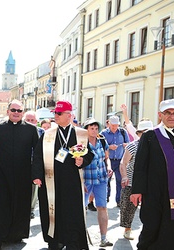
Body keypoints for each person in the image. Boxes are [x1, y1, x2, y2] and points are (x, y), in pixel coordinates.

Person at [32, 100, 94, 250]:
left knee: (72, 213)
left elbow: (91, 154)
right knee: (54, 212)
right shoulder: (47, 134)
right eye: (55, 114)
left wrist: (83, 161)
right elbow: (38, 156)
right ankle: (55, 241)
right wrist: (37, 176)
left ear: (69, 115)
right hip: (52, 181)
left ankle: (73, 242)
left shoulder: (81, 134)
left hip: (73, 182)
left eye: (59, 114)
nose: (56, 117)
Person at [131, 99, 174, 249]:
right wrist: (137, 190)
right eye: (167, 113)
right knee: (152, 227)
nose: (171, 116)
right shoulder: (150, 136)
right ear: (160, 115)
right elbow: (140, 165)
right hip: (155, 193)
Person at [0, 99, 39, 249]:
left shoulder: (31, 130)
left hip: (23, 175)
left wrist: (36, 174)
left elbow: (37, 154)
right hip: (2, 175)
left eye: (19, 111)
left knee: (21, 206)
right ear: (7, 111)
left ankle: (17, 235)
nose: (16, 113)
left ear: (22, 113)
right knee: (0, 206)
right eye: (13, 110)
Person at [120, 119, 153, 241]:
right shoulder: (133, 146)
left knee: (150, 208)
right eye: (142, 132)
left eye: (148, 132)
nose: (145, 135)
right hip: (132, 181)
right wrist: (124, 177)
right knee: (128, 207)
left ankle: (149, 229)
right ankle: (127, 229)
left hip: (150, 182)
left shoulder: (155, 146)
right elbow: (123, 162)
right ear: (138, 133)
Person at [82, 118, 113, 247]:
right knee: (80, 209)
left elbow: (107, 158)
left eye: (96, 128)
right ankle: (80, 238)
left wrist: (109, 167)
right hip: (87, 179)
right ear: (87, 130)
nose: (94, 131)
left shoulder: (102, 140)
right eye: (91, 128)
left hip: (101, 178)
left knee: (102, 207)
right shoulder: (81, 142)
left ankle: (103, 238)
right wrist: (80, 182)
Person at [100, 115, 129, 206]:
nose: (114, 127)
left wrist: (125, 145)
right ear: (109, 124)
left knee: (120, 180)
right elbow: (99, 145)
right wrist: (109, 147)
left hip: (120, 160)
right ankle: (106, 198)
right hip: (108, 160)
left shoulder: (123, 132)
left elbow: (128, 143)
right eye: (113, 125)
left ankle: (119, 200)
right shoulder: (104, 133)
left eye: (116, 125)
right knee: (106, 180)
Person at [24, 110, 45, 219]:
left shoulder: (42, 132)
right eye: (28, 120)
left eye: (32, 120)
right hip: (23, 164)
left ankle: (31, 209)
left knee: (34, 189)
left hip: (35, 164)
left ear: (36, 121)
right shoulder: (21, 130)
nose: (30, 122)